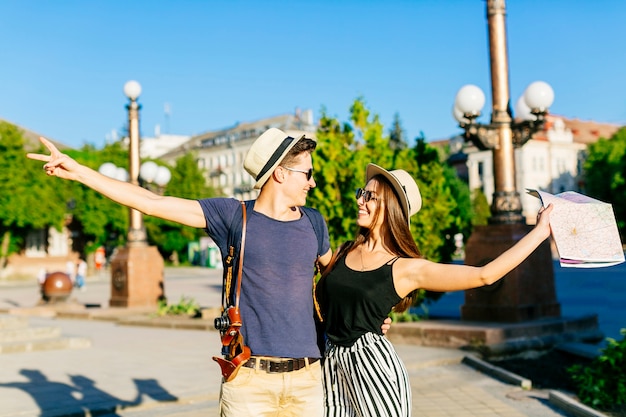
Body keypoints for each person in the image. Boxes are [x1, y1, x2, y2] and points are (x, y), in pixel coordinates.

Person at [27, 128, 389, 417]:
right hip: (249, 382)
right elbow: (152, 203)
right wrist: (80, 173)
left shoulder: (313, 222)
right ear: (280, 172)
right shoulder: (233, 216)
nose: (312, 182)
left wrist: (369, 314)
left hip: (309, 379)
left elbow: (336, 280)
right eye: (308, 174)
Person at [316, 163, 553, 417]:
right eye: (361, 193)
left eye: (370, 196)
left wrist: (539, 233)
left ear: (391, 208)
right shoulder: (344, 251)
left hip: (373, 371)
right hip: (331, 369)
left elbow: (485, 275)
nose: (360, 201)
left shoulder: (406, 269)